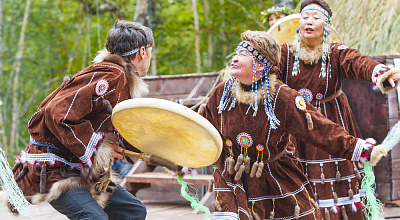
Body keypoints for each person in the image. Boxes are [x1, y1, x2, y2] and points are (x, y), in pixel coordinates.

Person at [201, 30, 387, 220]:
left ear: (261, 65)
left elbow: (319, 129)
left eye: (243, 55)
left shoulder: (284, 98)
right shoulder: (222, 93)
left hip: (276, 178)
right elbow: (200, 131)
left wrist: (358, 148)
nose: (234, 59)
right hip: (231, 176)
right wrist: (179, 159)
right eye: (236, 53)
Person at [11, 20, 153, 220]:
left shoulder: (118, 79)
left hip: (83, 169)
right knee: (94, 218)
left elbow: (112, 129)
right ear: (143, 52)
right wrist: (98, 149)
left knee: (133, 212)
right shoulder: (111, 76)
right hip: (57, 169)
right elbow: (58, 113)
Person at [273, 0, 400, 219]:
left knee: (338, 189)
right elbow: (269, 74)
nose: (309, 22)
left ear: (327, 25)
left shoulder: (336, 53)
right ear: (298, 23)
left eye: (316, 18)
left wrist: (384, 74)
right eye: (305, 17)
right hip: (295, 125)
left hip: (331, 123)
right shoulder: (284, 53)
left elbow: (359, 63)